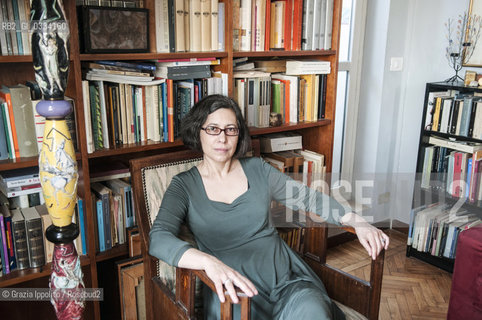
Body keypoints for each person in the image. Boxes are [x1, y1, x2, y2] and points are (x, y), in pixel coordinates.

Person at [149, 94, 389, 319]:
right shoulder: (183, 185)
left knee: (313, 311)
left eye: (230, 129)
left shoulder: (258, 169)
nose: (222, 138)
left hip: (287, 283)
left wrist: (357, 221)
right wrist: (208, 262)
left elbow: (309, 198)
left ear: (239, 134)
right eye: (213, 129)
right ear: (198, 132)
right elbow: (159, 238)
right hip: (235, 292)